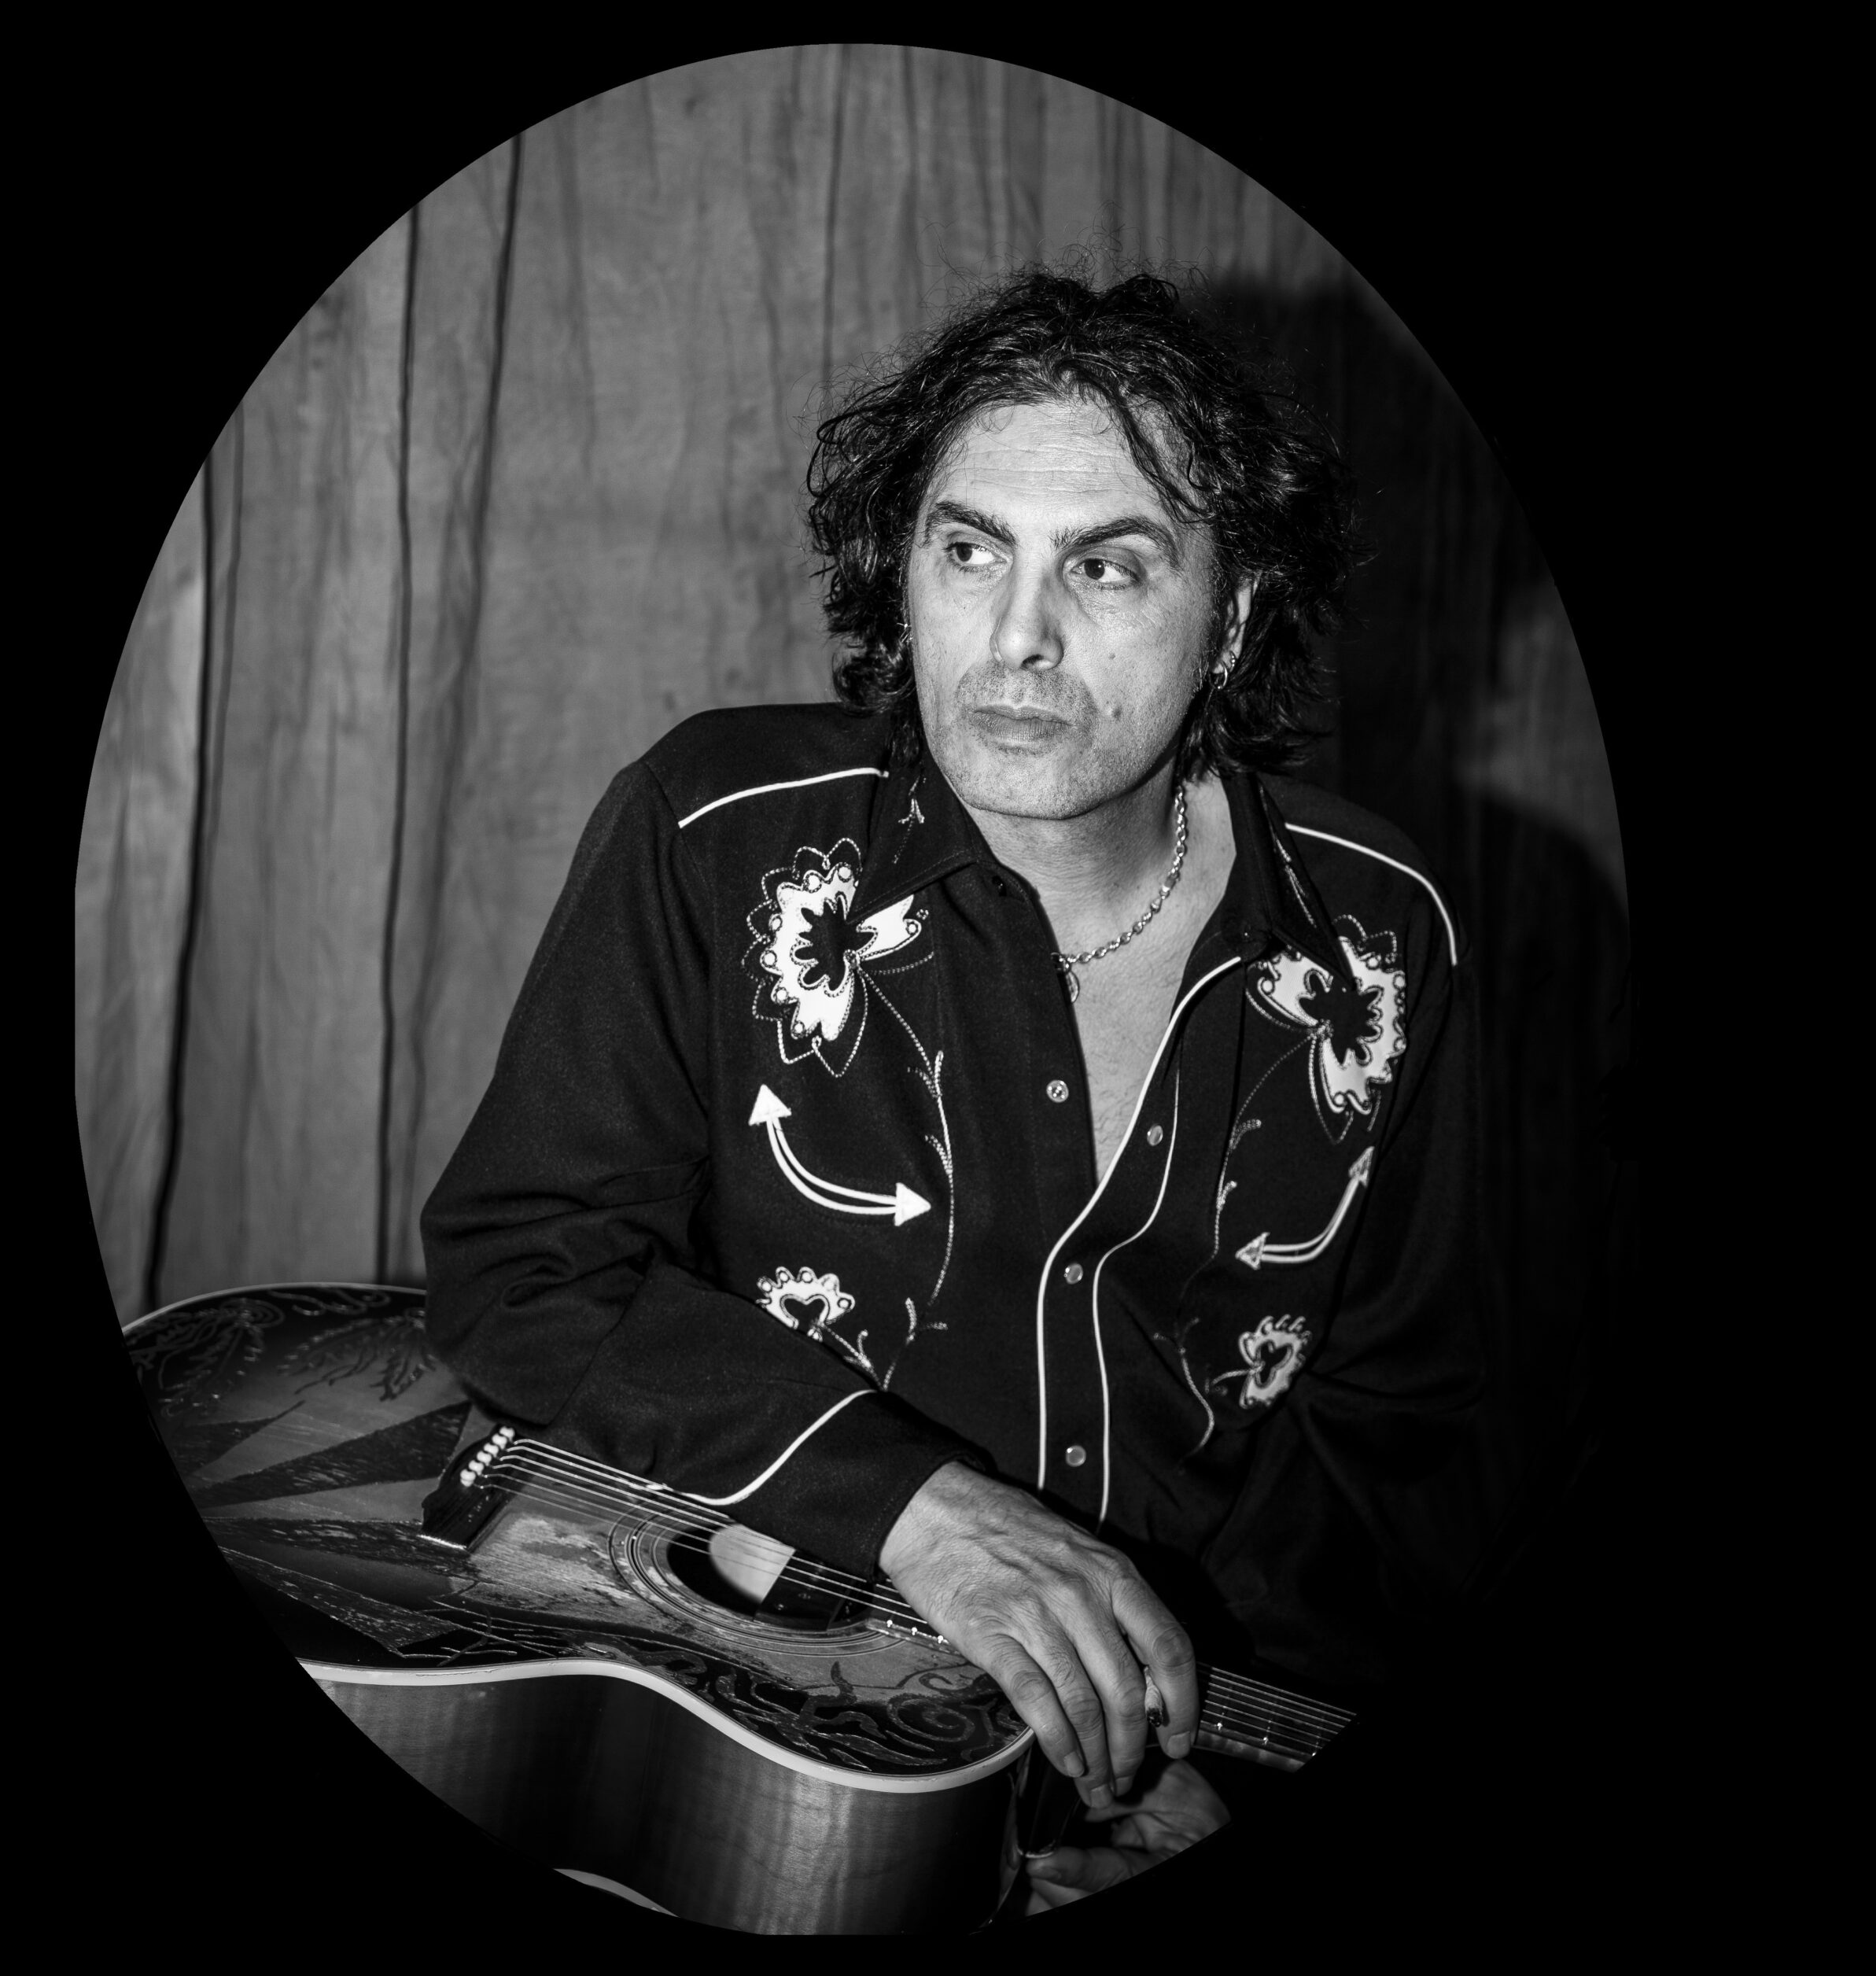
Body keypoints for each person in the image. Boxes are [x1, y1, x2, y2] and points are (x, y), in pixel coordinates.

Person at [420, 267, 1487, 1911]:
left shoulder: (1385, 932)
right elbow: (521, 1269)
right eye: (970, 550)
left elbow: (1396, 1433)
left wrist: (1217, 1756)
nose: (1016, 637)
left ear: (1237, 614)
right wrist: (919, 1509)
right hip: (764, 1744)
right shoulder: (716, 828)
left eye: (1107, 566)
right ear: (901, 571)